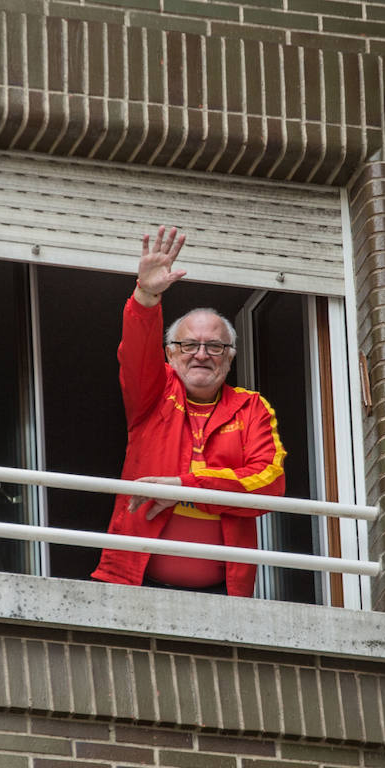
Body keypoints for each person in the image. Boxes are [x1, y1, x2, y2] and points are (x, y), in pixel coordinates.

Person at [91, 226, 286, 597]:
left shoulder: (251, 407)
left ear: (229, 358)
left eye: (214, 347)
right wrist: (146, 296)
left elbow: (269, 483)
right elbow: (134, 353)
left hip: (225, 593)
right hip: (133, 580)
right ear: (169, 354)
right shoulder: (154, 391)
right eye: (189, 344)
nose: (200, 354)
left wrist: (184, 489)